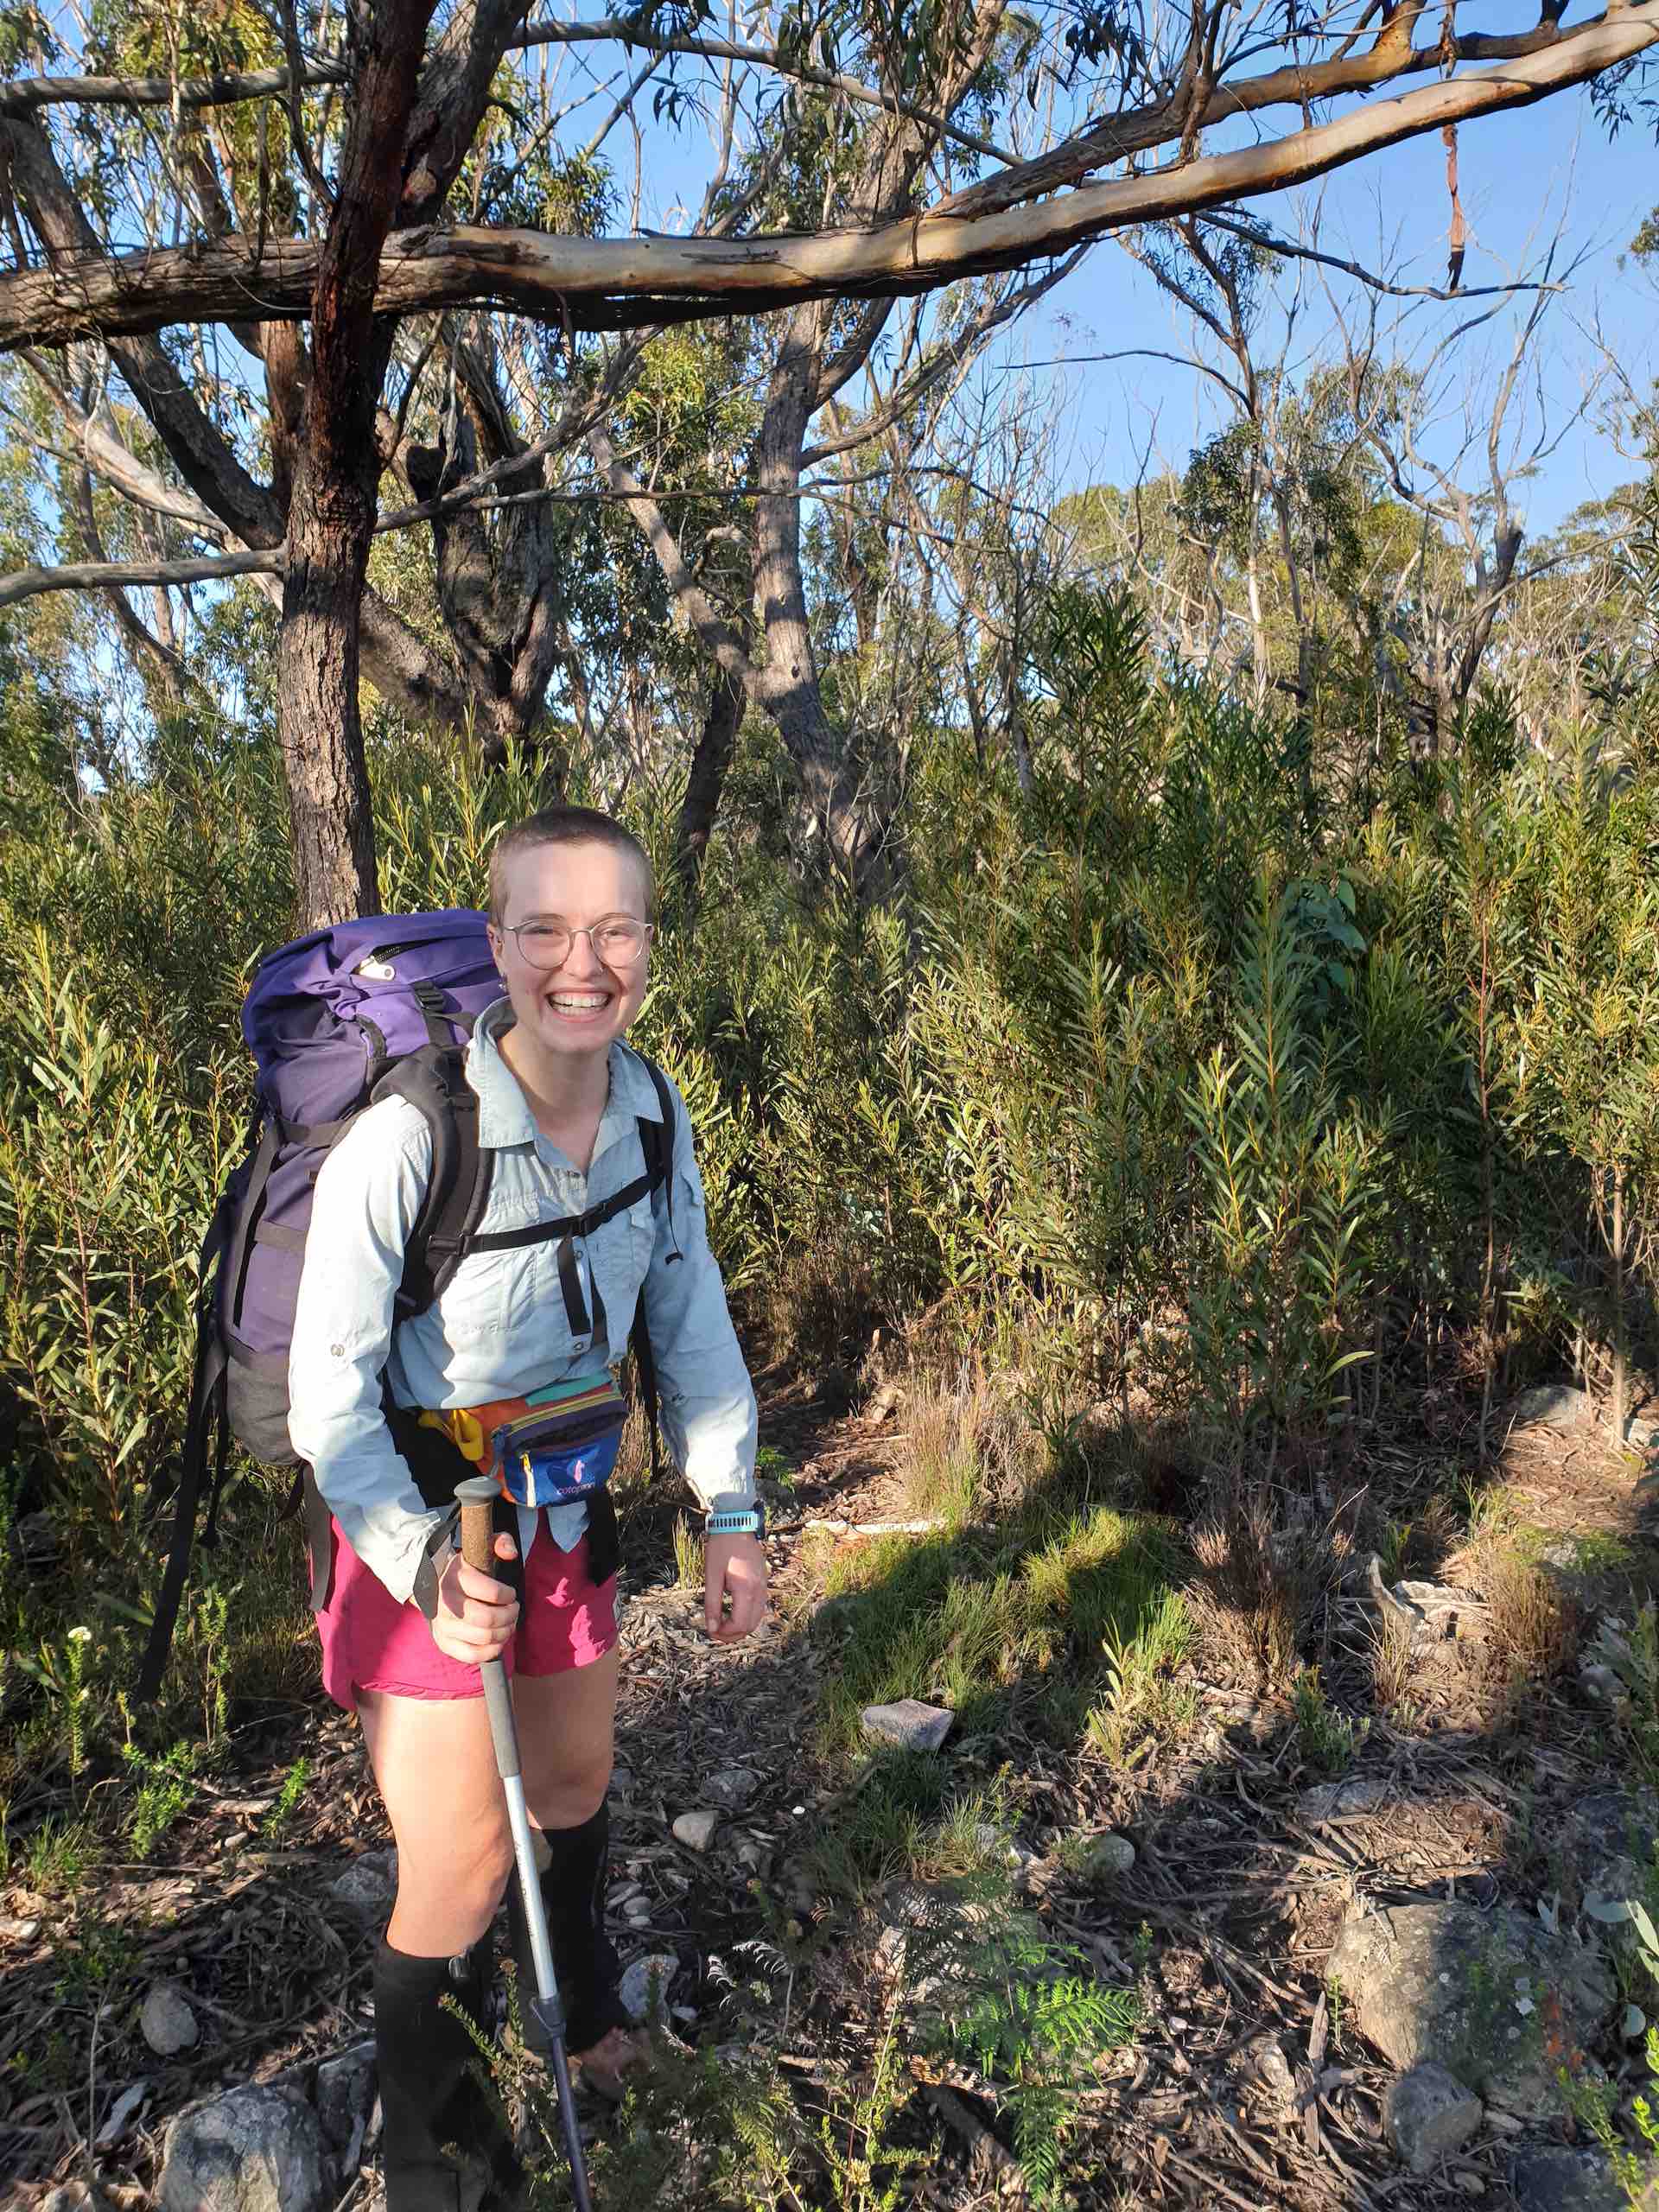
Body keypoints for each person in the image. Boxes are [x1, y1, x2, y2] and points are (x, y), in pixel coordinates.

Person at [288, 807, 766, 2211]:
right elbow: (327, 1404)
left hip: (566, 1508)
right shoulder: (411, 1139)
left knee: (569, 1790)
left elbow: (690, 1318)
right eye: (546, 929)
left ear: (650, 947)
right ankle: (439, 2166)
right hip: (428, 1531)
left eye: (615, 929)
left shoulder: (652, 1115)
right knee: (457, 1864)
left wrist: (732, 1507)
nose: (583, 963)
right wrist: (421, 1561)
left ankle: (584, 2011)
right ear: (498, 946)